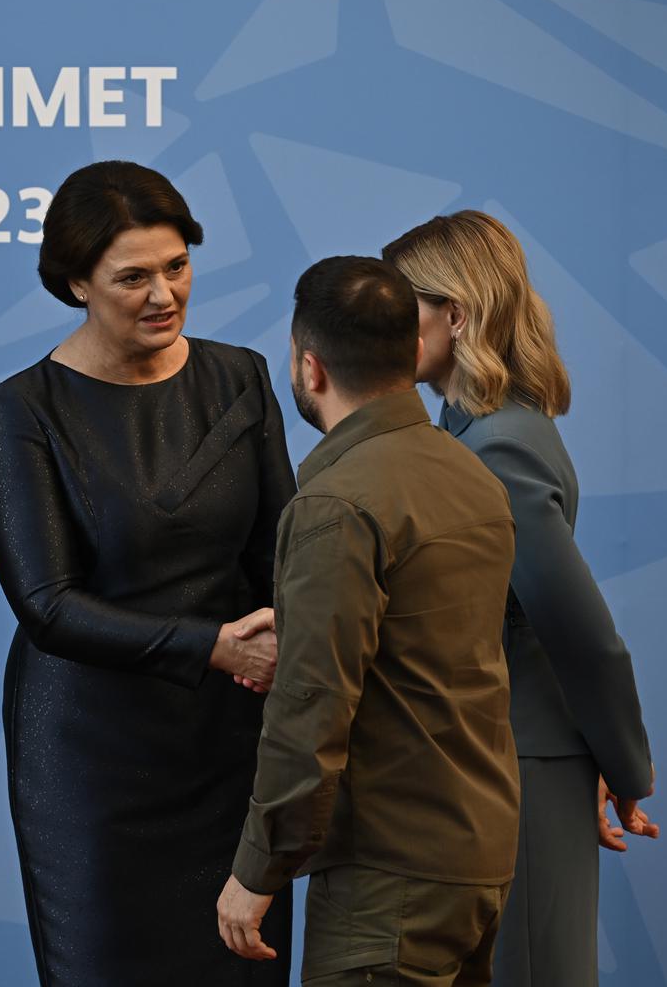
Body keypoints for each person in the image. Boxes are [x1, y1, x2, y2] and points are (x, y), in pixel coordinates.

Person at [0, 160, 297, 985]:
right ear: (76, 282)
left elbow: (278, 556)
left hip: (234, 745)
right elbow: (47, 605)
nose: (164, 294)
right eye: (133, 277)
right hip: (92, 762)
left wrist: (280, 647)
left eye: (177, 266)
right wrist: (215, 646)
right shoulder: (21, 410)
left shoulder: (240, 376)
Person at [217, 255, 521, 986]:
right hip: (477, 857)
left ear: (309, 368)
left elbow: (312, 708)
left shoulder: (337, 504)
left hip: (390, 880)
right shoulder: (468, 473)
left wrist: (257, 869)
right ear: (414, 353)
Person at [381, 211, 658, 987]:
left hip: (525, 762)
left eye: (403, 309)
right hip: (510, 759)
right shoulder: (478, 431)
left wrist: (623, 764)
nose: (383, 328)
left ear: (456, 315)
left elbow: (577, 630)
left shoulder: (496, 442)